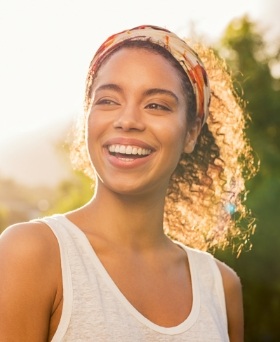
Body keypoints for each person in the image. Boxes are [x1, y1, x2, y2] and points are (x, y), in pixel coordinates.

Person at [0, 25, 256, 341]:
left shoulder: (221, 287)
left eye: (156, 105)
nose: (128, 120)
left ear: (191, 132)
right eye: (108, 100)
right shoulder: (31, 253)